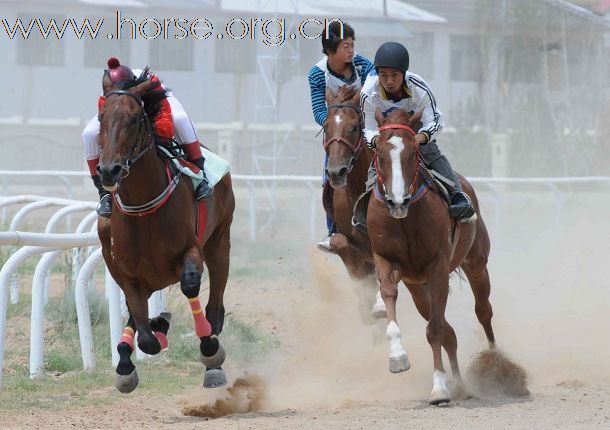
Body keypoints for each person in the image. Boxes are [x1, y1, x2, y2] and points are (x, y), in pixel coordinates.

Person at [82, 57, 213, 217]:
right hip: (122, 103)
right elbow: (106, 125)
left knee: (180, 119)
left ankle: (201, 176)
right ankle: (104, 195)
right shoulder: (106, 95)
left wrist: (154, 135)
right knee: (88, 133)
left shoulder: (151, 84)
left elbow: (164, 120)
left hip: (154, 97)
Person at [361, 42, 475, 221]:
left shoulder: (418, 87)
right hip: (386, 134)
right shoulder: (368, 93)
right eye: (383, 75)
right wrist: (378, 142)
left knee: (430, 151)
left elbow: (435, 119)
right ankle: (364, 206)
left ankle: (457, 195)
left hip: (414, 129)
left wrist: (421, 137)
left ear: (404, 73)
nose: (389, 81)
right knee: (379, 160)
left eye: (394, 75)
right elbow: (367, 128)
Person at [307, 21, 376, 251]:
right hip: (339, 132)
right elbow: (319, 113)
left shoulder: (365, 66)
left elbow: (369, 99)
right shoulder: (317, 74)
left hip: (368, 125)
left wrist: (339, 102)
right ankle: (333, 229)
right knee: (331, 176)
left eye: (352, 44)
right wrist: (341, 108)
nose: (351, 49)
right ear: (330, 50)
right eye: (346, 45)